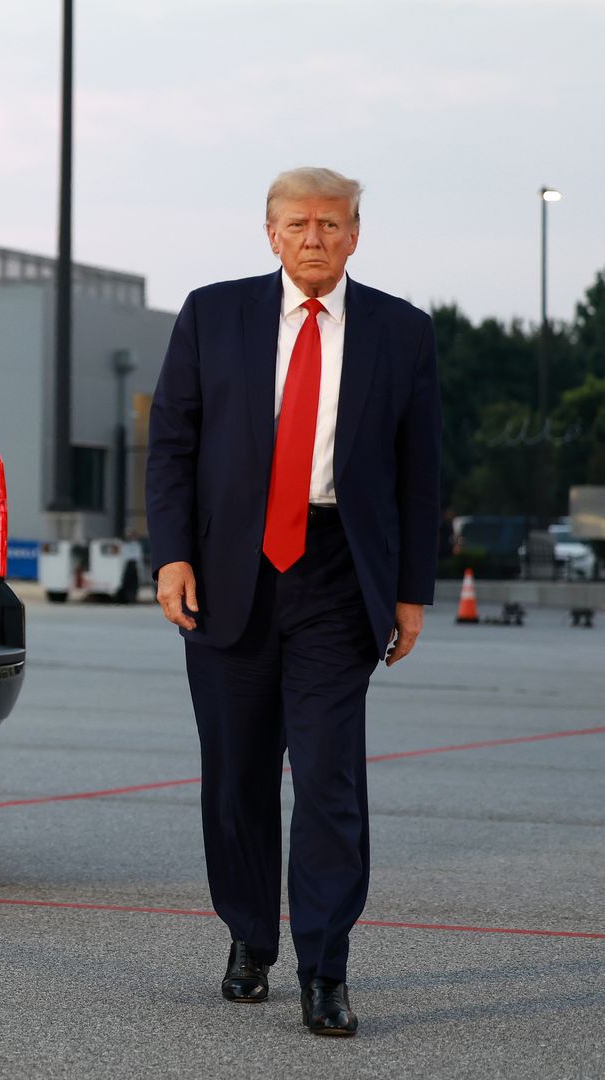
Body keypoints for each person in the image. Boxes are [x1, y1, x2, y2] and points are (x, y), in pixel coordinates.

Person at [145, 167, 441, 1036]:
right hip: (229, 573)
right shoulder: (212, 314)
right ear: (270, 233)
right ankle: (248, 935)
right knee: (236, 778)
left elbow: (420, 473)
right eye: (299, 223)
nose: (315, 237)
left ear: (355, 236)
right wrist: (171, 558)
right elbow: (171, 446)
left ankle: (325, 967)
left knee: (326, 777)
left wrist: (413, 591)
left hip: (341, 577)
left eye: (332, 223)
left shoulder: (402, 332)